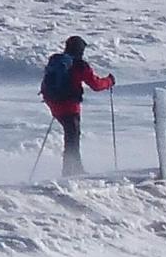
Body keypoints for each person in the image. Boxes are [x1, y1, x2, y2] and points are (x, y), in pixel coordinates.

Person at [41, 35, 115, 176]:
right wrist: (109, 81)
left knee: (71, 136)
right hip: (69, 106)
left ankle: (72, 169)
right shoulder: (80, 65)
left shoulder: (57, 61)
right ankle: (72, 170)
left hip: (53, 103)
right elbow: (96, 85)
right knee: (73, 137)